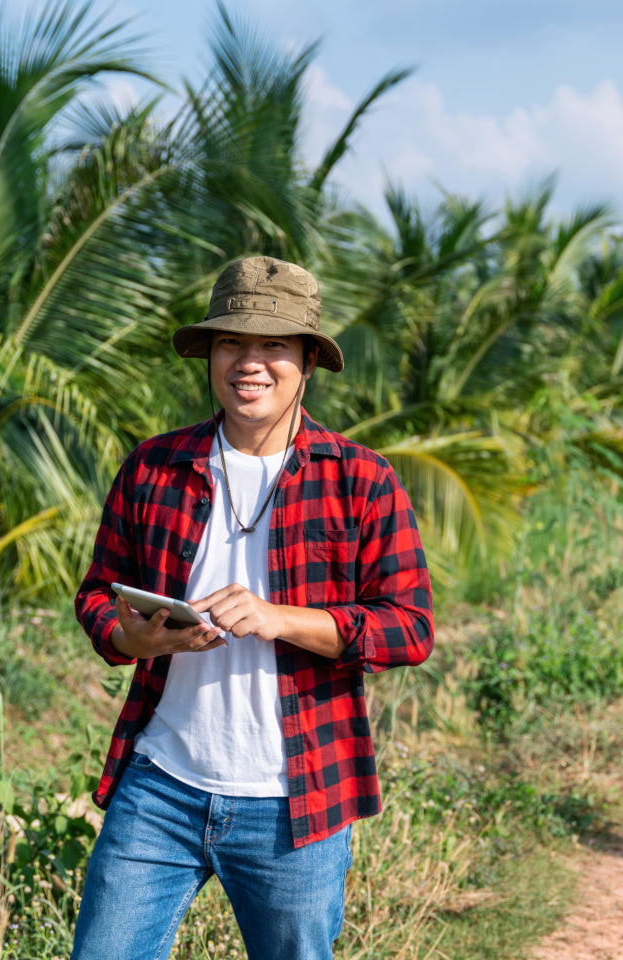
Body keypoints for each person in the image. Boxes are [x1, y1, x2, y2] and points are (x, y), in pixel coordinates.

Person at [71, 256, 434, 960]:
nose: (250, 362)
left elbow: (409, 628)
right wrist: (136, 640)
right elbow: (97, 594)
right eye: (232, 342)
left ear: (307, 361)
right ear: (210, 353)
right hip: (161, 784)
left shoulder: (359, 477)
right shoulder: (154, 467)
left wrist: (282, 619)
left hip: (298, 799)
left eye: (274, 345)